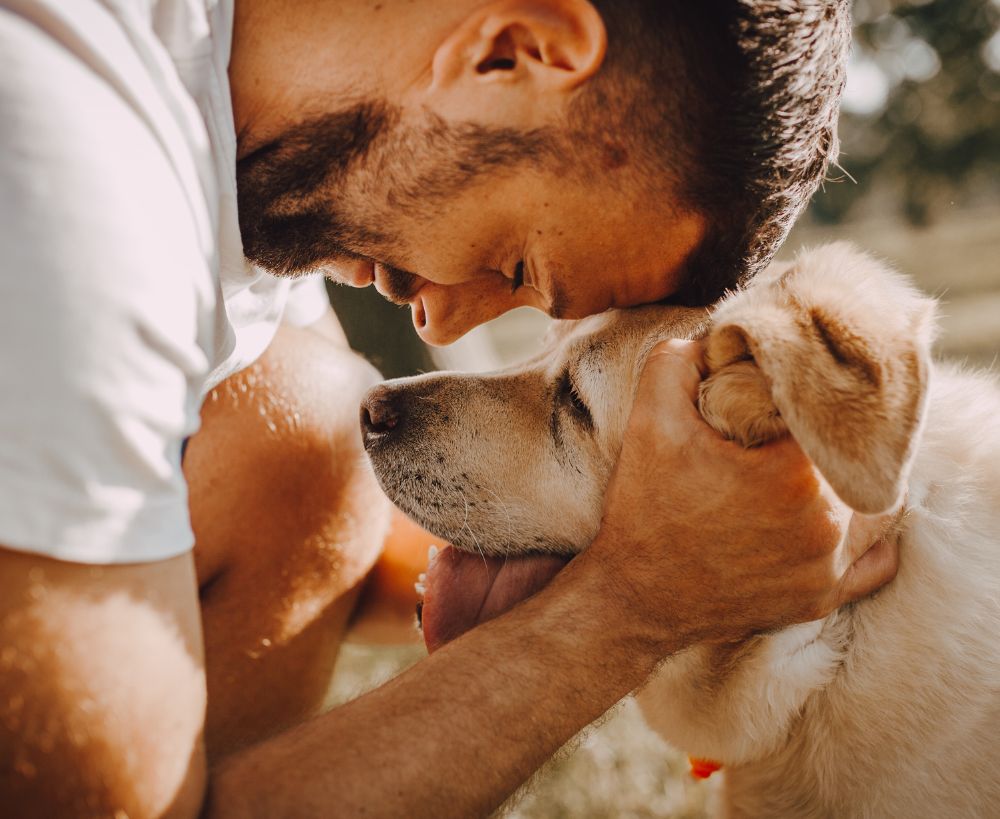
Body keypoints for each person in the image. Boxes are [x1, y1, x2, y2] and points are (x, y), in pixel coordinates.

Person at [0, 1, 898, 817]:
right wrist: (632, 604)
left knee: (306, 433)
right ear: (515, 51)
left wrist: (703, 542)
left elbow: (343, 545)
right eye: (515, 265)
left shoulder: (229, 131)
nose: (439, 316)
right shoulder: (67, 165)